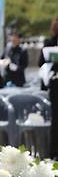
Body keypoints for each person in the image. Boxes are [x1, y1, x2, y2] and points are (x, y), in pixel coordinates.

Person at [38, 14, 58, 159]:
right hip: (55, 82)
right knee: (55, 118)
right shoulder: (49, 42)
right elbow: (40, 62)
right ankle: (54, 152)